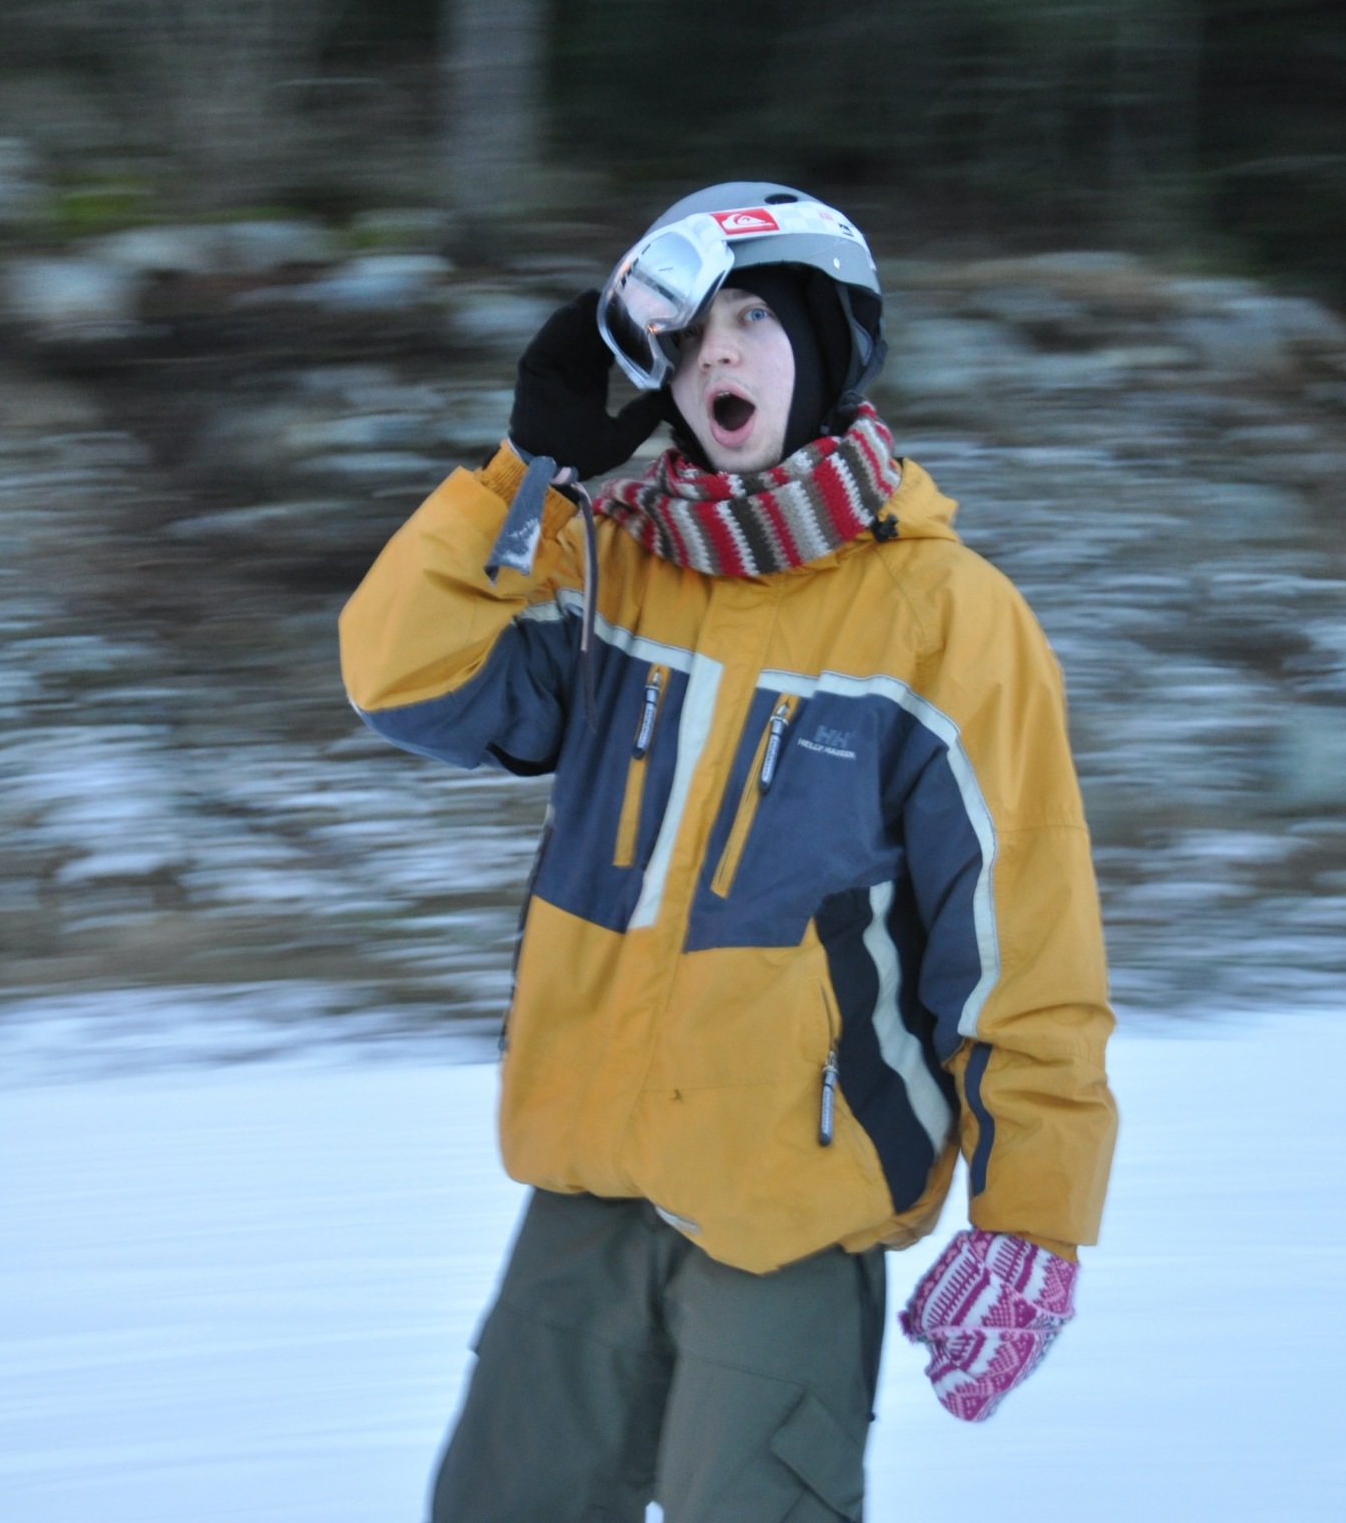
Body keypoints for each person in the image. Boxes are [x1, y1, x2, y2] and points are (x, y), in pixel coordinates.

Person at [339, 182, 1117, 1523]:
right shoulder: (611, 562)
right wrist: (527, 474)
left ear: (829, 345)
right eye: (691, 334)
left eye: (753, 319)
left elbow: (1022, 942)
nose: (717, 357)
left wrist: (1031, 1217)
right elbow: (402, 680)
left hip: (792, 1213)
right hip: (585, 1184)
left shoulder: (949, 621)